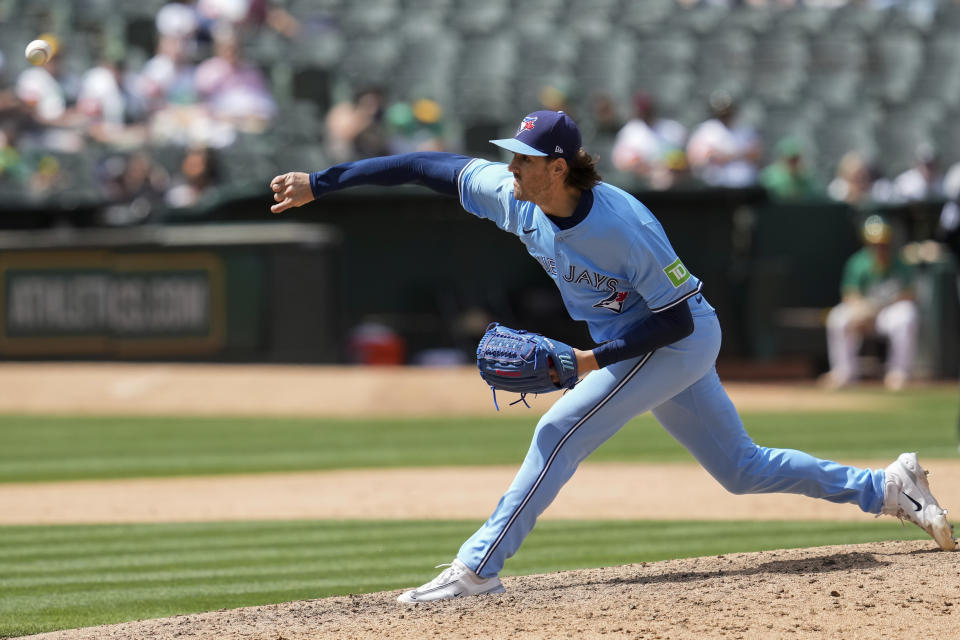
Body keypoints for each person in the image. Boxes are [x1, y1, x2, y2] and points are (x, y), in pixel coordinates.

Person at [268, 109, 954, 603]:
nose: (512, 167)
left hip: (676, 338)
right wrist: (323, 183)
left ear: (558, 168)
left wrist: (592, 361)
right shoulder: (516, 198)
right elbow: (423, 166)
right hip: (645, 341)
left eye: (525, 159)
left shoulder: (621, 227)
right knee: (741, 470)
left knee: (557, 428)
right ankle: (889, 487)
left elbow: (676, 316)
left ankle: (476, 569)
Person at [823, 215, 919, 392]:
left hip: (887, 314)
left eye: (882, 243)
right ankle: (843, 372)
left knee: (907, 315)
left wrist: (879, 308)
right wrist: (862, 311)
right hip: (864, 312)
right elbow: (849, 295)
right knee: (838, 318)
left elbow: (909, 294)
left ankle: (899, 373)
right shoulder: (858, 262)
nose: (879, 247)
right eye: (875, 243)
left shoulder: (900, 263)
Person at [758, 136, 822, 201]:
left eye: (796, 159)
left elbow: (817, 195)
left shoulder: (806, 176)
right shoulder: (769, 176)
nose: (793, 163)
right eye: (790, 159)